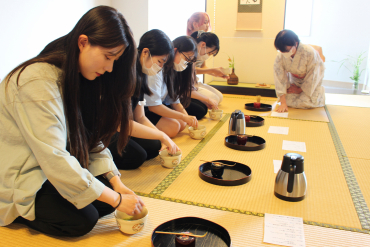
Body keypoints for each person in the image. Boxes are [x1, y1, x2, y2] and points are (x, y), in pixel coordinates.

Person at [0, 6, 144, 237]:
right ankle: (17, 211)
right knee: (82, 219)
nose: (109, 68)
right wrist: (116, 200)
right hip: (22, 174)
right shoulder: (36, 81)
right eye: (108, 57)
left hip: (49, 166)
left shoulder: (80, 77)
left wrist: (117, 184)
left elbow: (92, 139)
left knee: (105, 200)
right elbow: (54, 157)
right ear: (83, 42)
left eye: (115, 60)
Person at [109, 29, 180, 170]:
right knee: (137, 157)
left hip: (124, 127)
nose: (160, 68)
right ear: (145, 52)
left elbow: (140, 116)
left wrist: (161, 137)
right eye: (160, 62)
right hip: (108, 129)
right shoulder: (124, 73)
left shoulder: (141, 74)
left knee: (154, 146)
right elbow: (120, 124)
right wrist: (163, 136)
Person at [144, 36, 199, 138]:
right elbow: (153, 106)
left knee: (182, 123)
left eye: (189, 61)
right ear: (175, 51)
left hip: (158, 105)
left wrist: (189, 119)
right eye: (186, 58)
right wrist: (184, 117)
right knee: (174, 127)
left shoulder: (171, 70)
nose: (186, 63)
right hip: (148, 109)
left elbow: (174, 100)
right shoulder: (155, 68)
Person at [273, 29, 325, 112]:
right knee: (287, 100)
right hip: (294, 83)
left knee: (305, 102)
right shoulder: (280, 55)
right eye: (281, 51)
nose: (284, 53)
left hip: (311, 85)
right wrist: (283, 103)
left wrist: (300, 90)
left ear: (296, 44)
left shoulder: (309, 52)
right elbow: (279, 76)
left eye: (287, 50)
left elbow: (314, 74)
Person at [189, 31, 226, 117]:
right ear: (202, 45)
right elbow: (192, 70)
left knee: (219, 97)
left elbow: (203, 67)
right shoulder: (190, 53)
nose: (208, 56)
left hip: (193, 84)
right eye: (209, 53)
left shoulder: (197, 52)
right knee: (213, 100)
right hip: (188, 87)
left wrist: (214, 73)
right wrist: (212, 70)